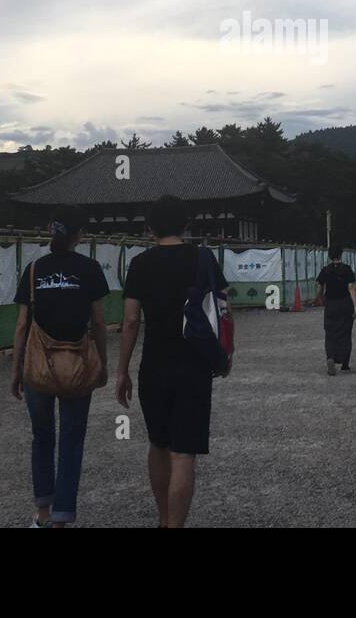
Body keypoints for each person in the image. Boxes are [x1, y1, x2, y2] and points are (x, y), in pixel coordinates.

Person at [117, 195, 232, 528]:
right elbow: (223, 308)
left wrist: (122, 369)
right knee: (184, 453)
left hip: (154, 365)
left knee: (158, 444)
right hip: (193, 365)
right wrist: (226, 354)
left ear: (150, 228)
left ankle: (163, 517)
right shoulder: (203, 258)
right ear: (186, 225)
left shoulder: (140, 263)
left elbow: (131, 320)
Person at [10, 206, 109, 528]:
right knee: (71, 439)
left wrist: (16, 370)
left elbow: (23, 324)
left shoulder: (35, 270)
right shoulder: (90, 269)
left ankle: (41, 513)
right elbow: (97, 322)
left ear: (51, 232)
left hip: (37, 366)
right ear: (79, 235)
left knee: (42, 438)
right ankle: (62, 518)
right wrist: (104, 364)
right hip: (78, 365)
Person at [317, 245, 356, 374]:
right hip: (345, 303)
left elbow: (320, 287)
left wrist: (318, 298)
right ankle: (345, 363)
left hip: (330, 304)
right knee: (346, 333)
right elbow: (351, 287)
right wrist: (355, 306)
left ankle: (331, 357)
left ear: (329, 256)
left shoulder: (325, 270)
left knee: (330, 333)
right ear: (341, 255)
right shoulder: (347, 269)